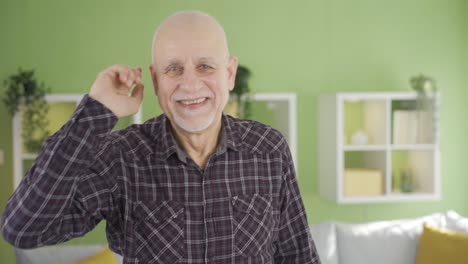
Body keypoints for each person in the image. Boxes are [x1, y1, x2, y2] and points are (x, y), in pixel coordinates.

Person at [2, 11, 321, 263]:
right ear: (154, 80)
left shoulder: (269, 150)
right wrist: (95, 113)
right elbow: (23, 229)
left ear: (230, 73)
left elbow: (298, 256)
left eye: (205, 66)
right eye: (173, 69)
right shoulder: (121, 158)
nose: (190, 84)